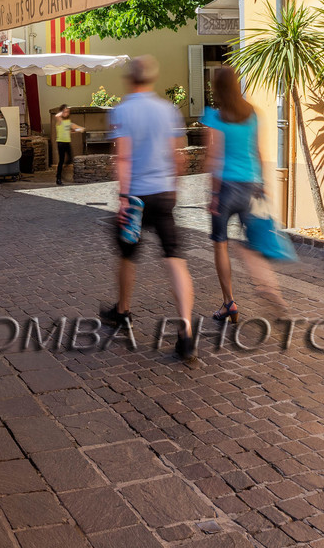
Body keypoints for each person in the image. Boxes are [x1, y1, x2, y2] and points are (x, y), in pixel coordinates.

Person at [100, 55, 196, 360]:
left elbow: (124, 159)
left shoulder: (122, 110)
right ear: (152, 78)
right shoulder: (168, 110)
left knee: (128, 253)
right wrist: (174, 189)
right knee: (175, 260)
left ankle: (123, 310)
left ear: (130, 78)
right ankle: (187, 331)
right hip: (165, 192)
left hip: (138, 196)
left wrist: (124, 199)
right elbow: (179, 157)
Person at [202, 66, 287, 324]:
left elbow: (213, 157)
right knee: (253, 244)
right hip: (251, 185)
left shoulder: (215, 117)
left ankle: (229, 302)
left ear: (216, 89)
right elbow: (259, 151)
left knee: (221, 244)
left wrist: (213, 194)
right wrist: (263, 185)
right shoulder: (253, 113)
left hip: (226, 188)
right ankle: (272, 291)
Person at [52, 104, 83, 186]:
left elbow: (74, 128)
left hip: (67, 142)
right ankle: (58, 178)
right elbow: (56, 115)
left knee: (70, 159)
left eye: (68, 112)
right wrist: (63, 111)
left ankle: (61, 171)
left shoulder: (68, 122)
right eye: (65, 112)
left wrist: (80, 129)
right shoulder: (60, 120)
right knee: (61, 160)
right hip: (61, 142)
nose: (67, 113)